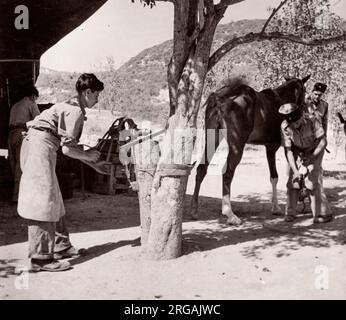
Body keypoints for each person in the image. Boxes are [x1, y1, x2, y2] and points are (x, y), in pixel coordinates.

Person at [18, 73, 104, 272]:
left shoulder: (72, 106)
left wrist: (93, 162)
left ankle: (61, 246)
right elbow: (68, 150)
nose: (98, 99)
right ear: (88, 92)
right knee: (43, 201)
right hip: (39, 146)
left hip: (43, 147)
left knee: (54, 198)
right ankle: (40, 258)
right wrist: (89, 156)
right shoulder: (74, 111)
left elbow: (70, 147)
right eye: (97, 95)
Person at [279, 102, 332, 224]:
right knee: (293, 181)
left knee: (311, 181)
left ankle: (322, 213)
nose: (295, 126)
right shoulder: (285, 126)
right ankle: (290, 213)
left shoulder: (313, 120)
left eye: (297, 122)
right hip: (298, 152)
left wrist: (311, 158)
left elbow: (323, 142)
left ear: (302, 116)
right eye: (292, 124)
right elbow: (289, 151)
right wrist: (296, 170)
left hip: (315, 150)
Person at [8, 85, 40, 202]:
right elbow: (39, 120)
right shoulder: (30, 103)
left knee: (13, 165)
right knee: (21, 166)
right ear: (32, 96)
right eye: (36, 98)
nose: (35, 100)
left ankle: (14, 195)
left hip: (10, 135)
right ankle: (18, 198)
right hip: (21, 133)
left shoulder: (15, 105)